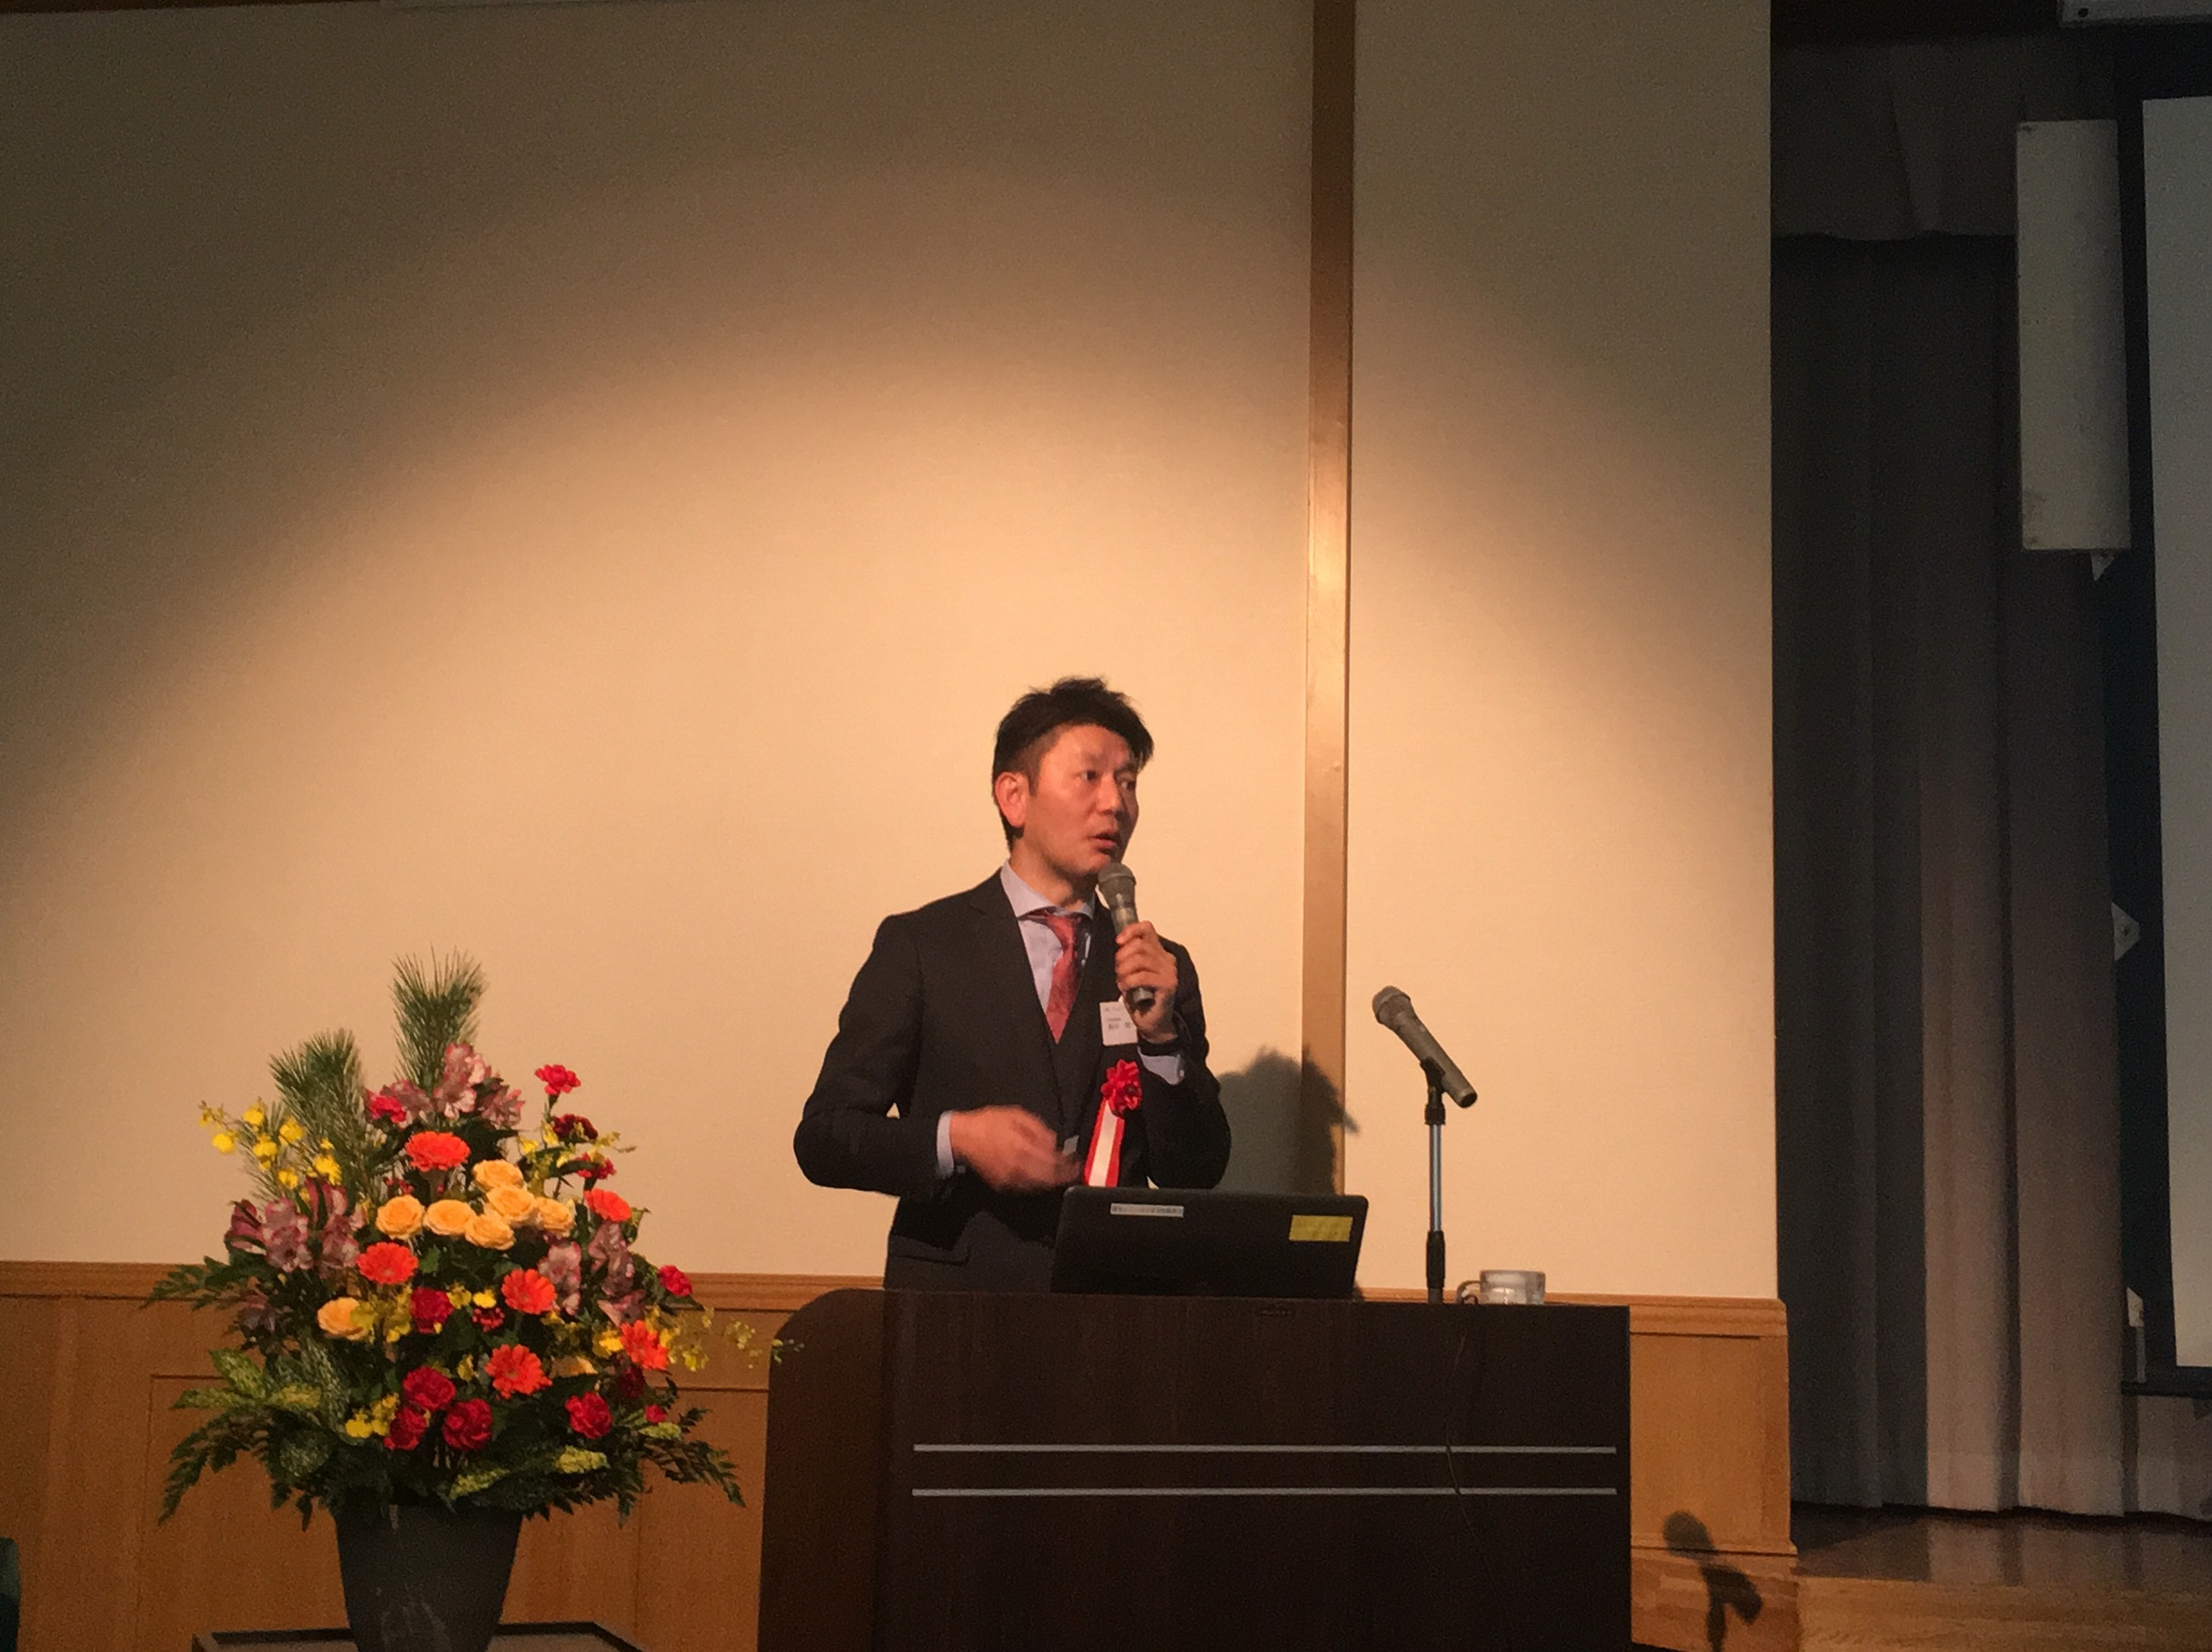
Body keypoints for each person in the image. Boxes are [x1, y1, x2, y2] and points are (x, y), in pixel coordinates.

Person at [794, 677, 1231, 1290]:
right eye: (1090, 777)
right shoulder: (923, 945)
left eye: (1129, 782)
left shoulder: (1156, 966)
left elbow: (1198, 1169)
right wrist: (957, 1137)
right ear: (1014, 797)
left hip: (1113, 1308)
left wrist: (1161, 1041)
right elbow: (825, 1137)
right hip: (957, 1307)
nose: (1115, 803)